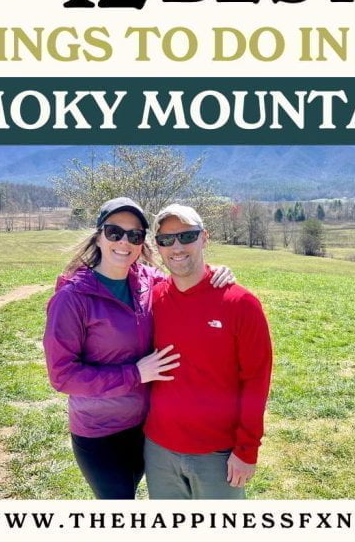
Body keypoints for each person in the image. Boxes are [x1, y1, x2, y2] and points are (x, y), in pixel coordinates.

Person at [43, 197, 233, 500]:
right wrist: (134, 374)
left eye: (134, 235)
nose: (124, 242)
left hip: (147, 427)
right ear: (98, 236)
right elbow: (63, 376)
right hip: (100, 433)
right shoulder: (73, 298)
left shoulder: (149, 281)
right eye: (114, 232)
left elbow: (184, 279)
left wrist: (214, 272)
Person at [144, 204, 273, 500]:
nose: (176, 247)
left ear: (205, 238)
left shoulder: (241, 304)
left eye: (187, 236)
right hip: (159, 450)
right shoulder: (153, 300)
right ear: (158, 247)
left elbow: (256, 381)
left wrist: (247, 450)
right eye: (166, 240)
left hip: (218, 454)